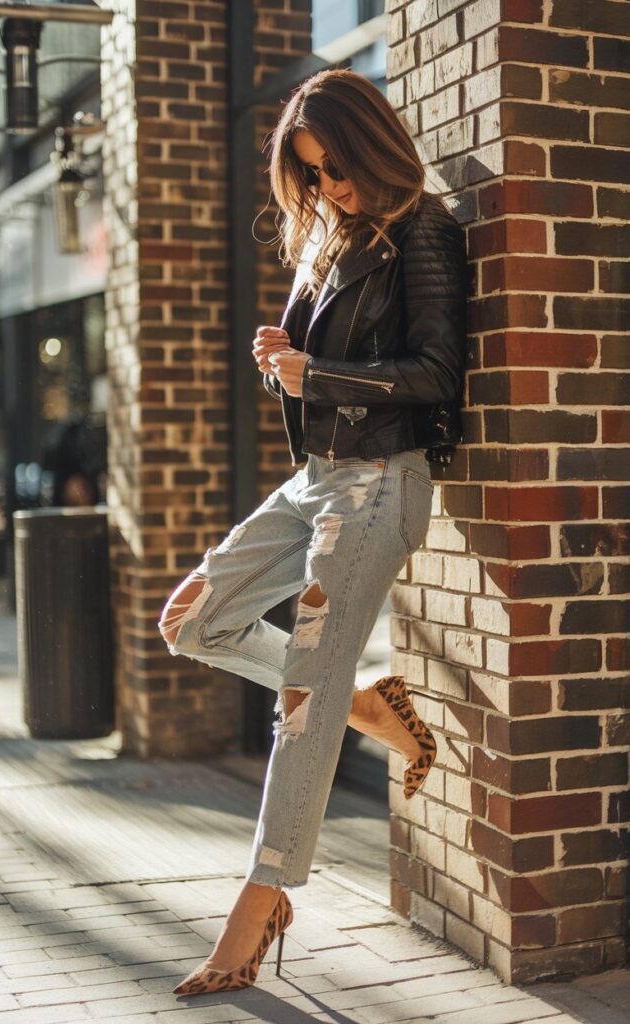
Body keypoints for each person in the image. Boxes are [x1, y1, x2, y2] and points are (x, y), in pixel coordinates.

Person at [158, 67, 467, 996]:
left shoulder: (422, 229)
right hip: (316, 481)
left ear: (371, 143)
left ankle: (258, 909)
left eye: (336, 164)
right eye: (311, 171)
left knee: (299, 701)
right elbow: (323, 372)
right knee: (191, 620)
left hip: (380, 488)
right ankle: (369, 705)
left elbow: (435, 374)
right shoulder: (330, 239)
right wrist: (281, 366)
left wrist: (315, 376)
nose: (328, 184)